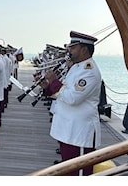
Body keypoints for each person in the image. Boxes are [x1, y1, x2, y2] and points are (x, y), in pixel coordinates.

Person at [42, 31, 102, 176]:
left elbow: (72, 98)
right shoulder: (77, 67)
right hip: (68, 131)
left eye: (73, 47)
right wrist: (47, 87)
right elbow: (63, 92)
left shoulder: (89, 71)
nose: (69, 50)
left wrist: (55, 81)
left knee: (78, 174)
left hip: (79, 133)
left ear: (84, 50)